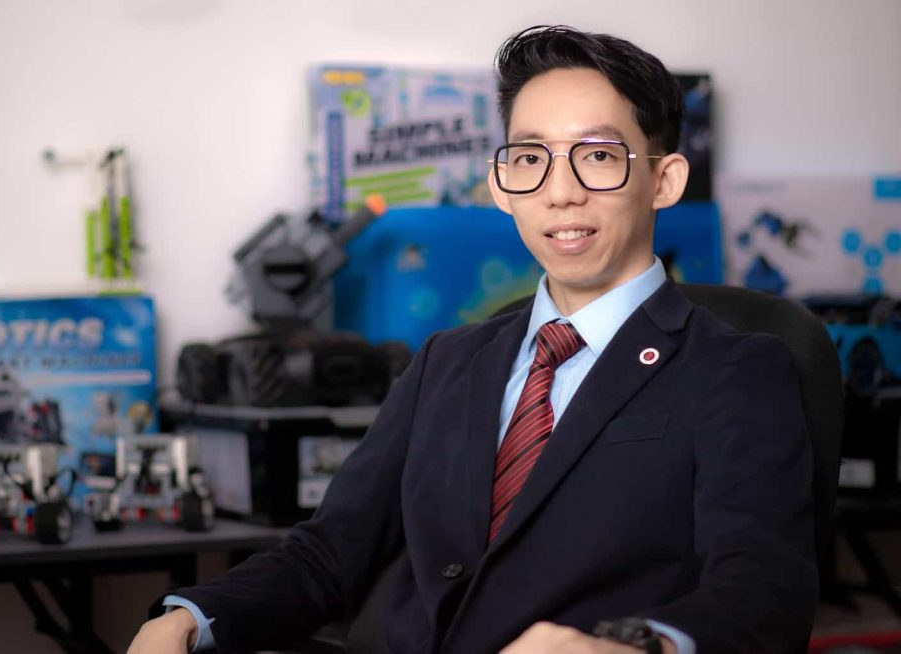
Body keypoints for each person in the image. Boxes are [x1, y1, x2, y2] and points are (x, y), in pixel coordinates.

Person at [129, 25, 816, 654]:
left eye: (599, 156)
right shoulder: (447, 363)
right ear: (501, 185)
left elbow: (763, 583)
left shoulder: (735, 369)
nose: (561, 193)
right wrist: (190, 616)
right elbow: (331, 551)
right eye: (530, 160)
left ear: (662, 181)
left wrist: (638, 646)